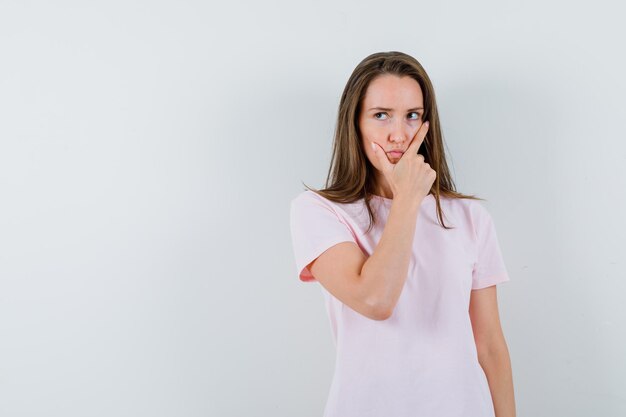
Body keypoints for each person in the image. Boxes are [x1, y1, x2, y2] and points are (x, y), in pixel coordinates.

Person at [289, 51, 516, 417]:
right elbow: (375, 300)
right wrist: (408, 198)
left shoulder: (470, 217)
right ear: (355, 123)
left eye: (413, 116)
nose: (399, 135)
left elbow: (489, 346)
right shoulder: (318, 211)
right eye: (381, 116)